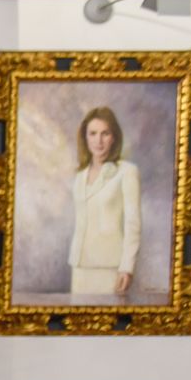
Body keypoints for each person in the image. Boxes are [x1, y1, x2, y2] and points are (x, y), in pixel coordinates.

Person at [68, 105, 140, 297]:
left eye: (105, 133)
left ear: (114, 137)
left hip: (110, 267)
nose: (98, 141)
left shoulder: (127, 171)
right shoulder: (80, 176)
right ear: (85, 137)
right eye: (92, 133)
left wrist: (127, 267)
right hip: (80, 266)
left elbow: (133, 223)